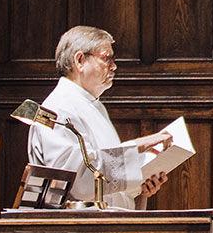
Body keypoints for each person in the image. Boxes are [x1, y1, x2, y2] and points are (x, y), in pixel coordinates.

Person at [28, 26, 171, 210]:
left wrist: (139, 188)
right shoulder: (57, 108)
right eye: (106, 58)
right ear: (80, 60)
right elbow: (76, 179)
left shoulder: (94, 106)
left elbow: (107, 180)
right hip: (74, 229)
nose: (114, 66)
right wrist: (138, 146)